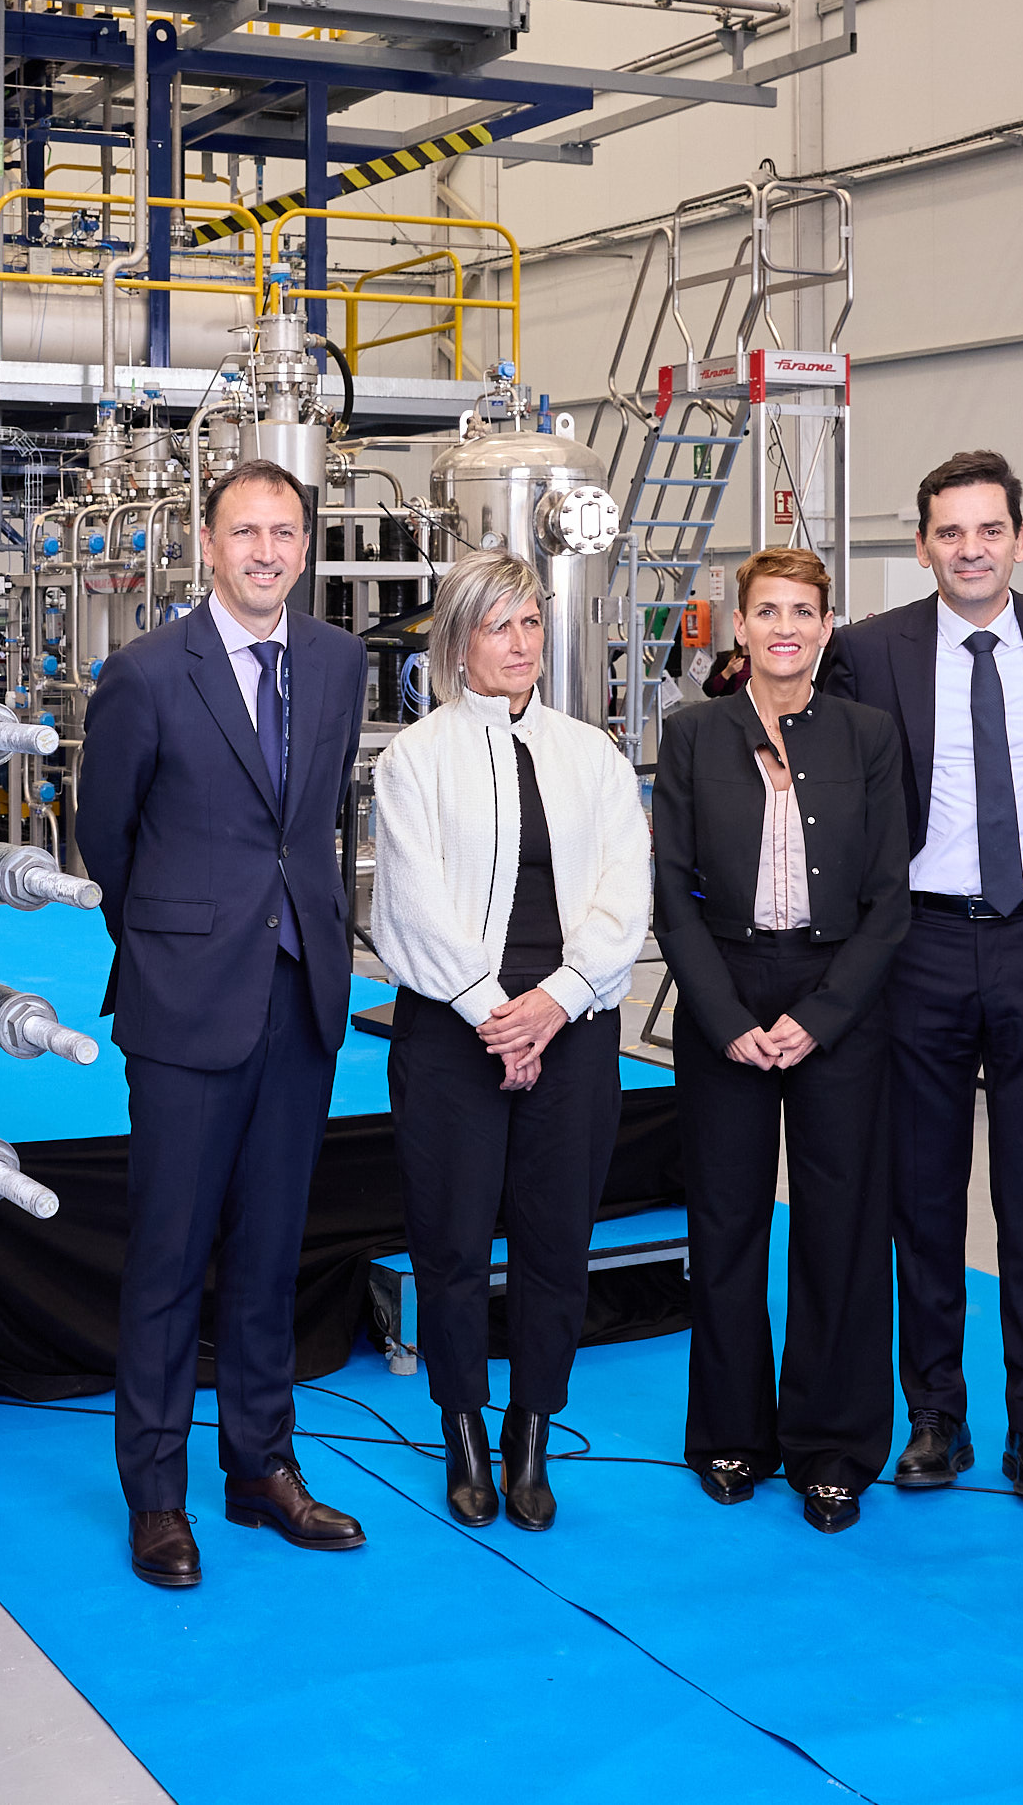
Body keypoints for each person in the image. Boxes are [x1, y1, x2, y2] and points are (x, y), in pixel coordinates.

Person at [74, 458, 373, 1591]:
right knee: (167, 1256)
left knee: (269, 1253)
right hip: (186, 1002)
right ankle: (156, 1495)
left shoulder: (337, 662)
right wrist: (182, 938)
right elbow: (107, 837)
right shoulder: (148, 672)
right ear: (207, 544)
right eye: (244, 532)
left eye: (283, 533)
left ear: (305, 547)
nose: (265, 552)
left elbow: (316, 819)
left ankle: (261, 1470)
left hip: (300, 996)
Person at [819, 449, 1023, 1507]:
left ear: (1019, 540)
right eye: (950, 532)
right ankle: (935, 1417)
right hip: (921, 949)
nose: (971, 549)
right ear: (922, 547)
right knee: (923, 1197)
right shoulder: (870, 650)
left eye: (990, 529)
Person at [367, 553, 650, 1532]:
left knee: (555, 1242)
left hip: (572, 1028)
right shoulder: (415, 759)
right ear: (458, 642)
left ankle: (532, 1430)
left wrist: (557, 1002)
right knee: (449, 1241)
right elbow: (410, 905)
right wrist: (498, 1013)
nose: (521, 643)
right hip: (455, 1033)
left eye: (530, 622)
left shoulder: (592, 754)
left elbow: (626, 890)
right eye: (499, 626)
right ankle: (462, 1429)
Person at [653, 548, 913, 1531]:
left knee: (841, 1225)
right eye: (767, 611)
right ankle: (730, 1432)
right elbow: (671, 893)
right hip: (726, 986)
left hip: (836, 993)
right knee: (726, 1223)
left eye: (803, 611)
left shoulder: (867, 735)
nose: (785, 628)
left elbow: (890, 897)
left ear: (826, 626)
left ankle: (833, 1446)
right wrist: (726, 1019)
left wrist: (823, 1014)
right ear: (740, 625)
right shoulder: (692, 734)